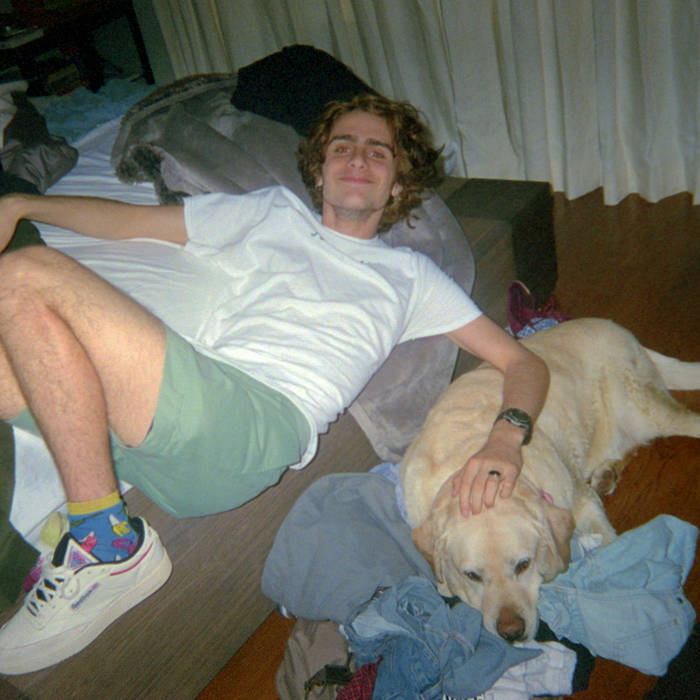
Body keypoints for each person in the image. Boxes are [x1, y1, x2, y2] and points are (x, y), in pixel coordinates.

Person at [0, 94, 549, 673]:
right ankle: (68, 533)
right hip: (173, 450)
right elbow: (129, 223)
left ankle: (107, 544)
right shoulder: (271, 213)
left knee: (24, 274)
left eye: (377, 152)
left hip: (252, 424)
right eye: (343, 146)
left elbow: (525, 364)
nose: (357, 158)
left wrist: (505, 439)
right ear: (320, 170)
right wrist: (25, 203)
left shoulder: (410, 277)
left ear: (396, 186)